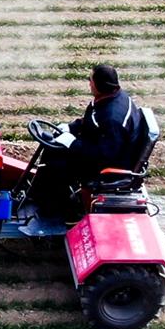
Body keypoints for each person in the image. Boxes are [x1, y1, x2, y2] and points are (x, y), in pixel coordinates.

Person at [28, 64, 146, 222]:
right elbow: (91, 121)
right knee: (52, 150)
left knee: (56, 165)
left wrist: (73, 143)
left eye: (90, 80)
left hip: (109, 166)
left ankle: (59, 215)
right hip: (99, 147)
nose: (89, 83)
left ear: (99, 85)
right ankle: (38, 196)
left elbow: (105, 155)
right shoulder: (109, 98)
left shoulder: (113, 118)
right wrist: (70, 128)